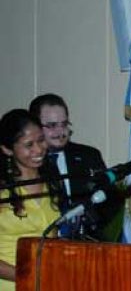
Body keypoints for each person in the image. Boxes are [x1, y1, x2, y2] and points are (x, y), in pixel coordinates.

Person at [0, 109, 62, 291]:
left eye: (41, 141)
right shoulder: (2, 191)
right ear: (6, 149)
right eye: (29, 145)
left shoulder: (53, 183)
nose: (39, 150)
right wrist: (23, 276)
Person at [29, 93, 119, 240]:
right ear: (35, 127)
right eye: (52, 126)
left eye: (64, 124)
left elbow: (110, 200)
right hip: (43, 241)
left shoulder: (88, 156)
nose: (60, 132)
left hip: (86, 242)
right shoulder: (30, 163)